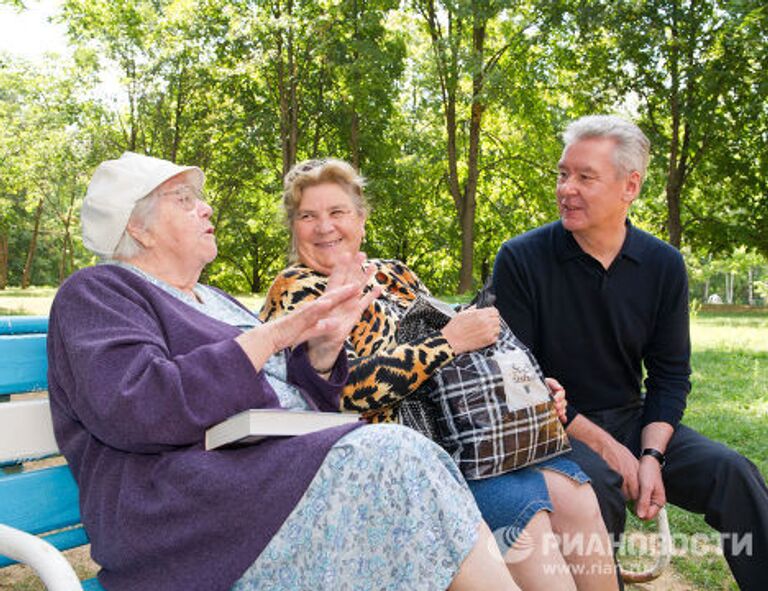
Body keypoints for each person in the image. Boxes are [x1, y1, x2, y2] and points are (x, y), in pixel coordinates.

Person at [48, 151, 523, 591]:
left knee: (404, 471)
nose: (207, 209)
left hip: (262, 482)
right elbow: (140, 407)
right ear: (139, 227)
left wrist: (323, 346)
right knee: (395, 458)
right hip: (180, 513)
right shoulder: (99, 292)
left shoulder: (214, 300)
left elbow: (298, 402)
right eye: (185, 200)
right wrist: (274, 334)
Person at [261, 158, 619, 590]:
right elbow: (340, 394)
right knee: (525, 512)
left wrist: (526, 394)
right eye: (307, 216)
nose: (324, 227)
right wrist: (446, 342)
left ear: (361, 218)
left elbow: (461, 368)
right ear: (293, 226)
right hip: (393, 463)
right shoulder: (297, 289)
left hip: (464, 440)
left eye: (337, 212)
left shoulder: (394, 275)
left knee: (577, 497)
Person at [492, 114, 768, 590]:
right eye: (562, 174)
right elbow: (520, 378)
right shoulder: (521, 258)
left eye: (585, 177)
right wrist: (610, 450)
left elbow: (670, 375)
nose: (566, 189)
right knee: (596, 485)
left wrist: (650, 455)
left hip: (634, 418)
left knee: (733, 472)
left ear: (630, 186)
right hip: (553, 425)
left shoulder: (663, 264)